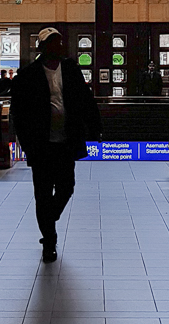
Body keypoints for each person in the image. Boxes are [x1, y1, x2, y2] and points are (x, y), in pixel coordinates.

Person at [11, 27, 101, 263]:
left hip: (65, 142)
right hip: (41, 145)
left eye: (60, 42)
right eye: (53, 43)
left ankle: (49, 217)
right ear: (42, 47)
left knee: (66, 187)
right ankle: (49, 242)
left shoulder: (70, 69)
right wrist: (26, 142)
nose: (58, 46)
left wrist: (95, 126)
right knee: (42, 193)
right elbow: (18, 113)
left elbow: (85, 98)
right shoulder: (28, 75)